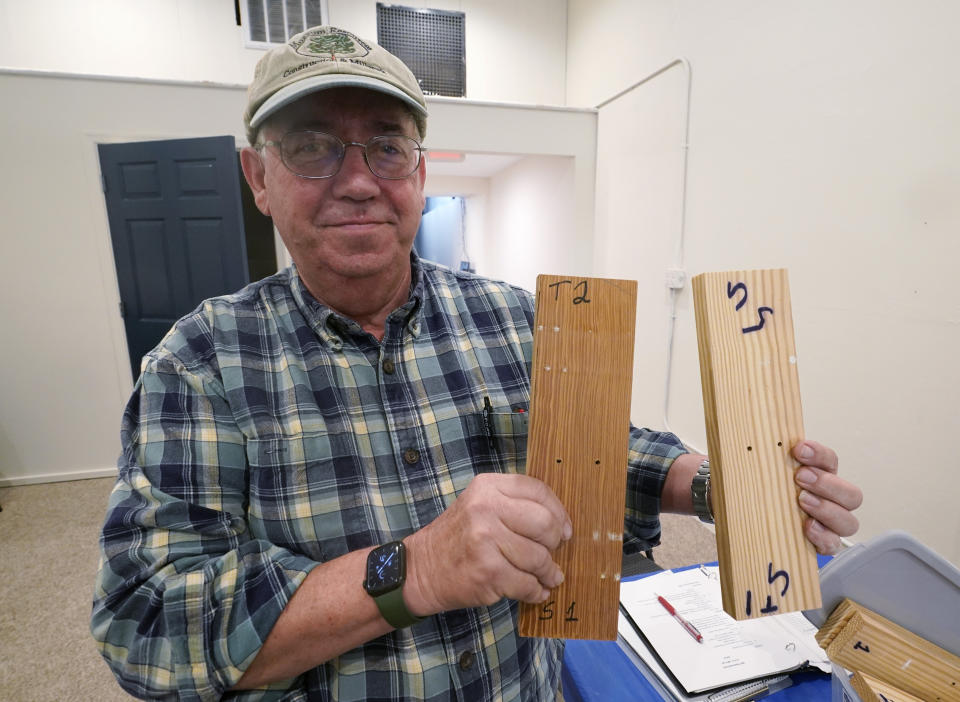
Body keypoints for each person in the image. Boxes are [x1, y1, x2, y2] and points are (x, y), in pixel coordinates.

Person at [92, 25, 862, 702]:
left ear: (420, 175)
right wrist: (413, 571)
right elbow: (149, 628)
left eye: (386, 145)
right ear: (259, 177)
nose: (357, 180)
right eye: (311, 146)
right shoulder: (198, 366)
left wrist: (725, 487)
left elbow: (601, 455)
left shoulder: (516, 319)